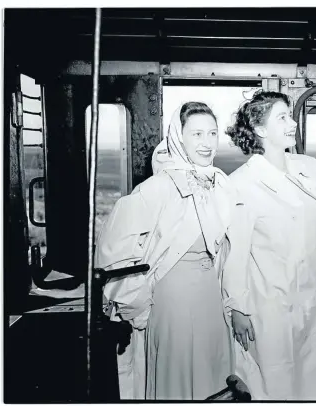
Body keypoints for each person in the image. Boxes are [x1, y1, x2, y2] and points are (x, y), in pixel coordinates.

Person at [220, 88, 316, 400]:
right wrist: (236, 307)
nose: (292, 123)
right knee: (278, 387)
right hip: (271, 308)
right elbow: (234, 252)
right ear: (260, 130)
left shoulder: (309, 168)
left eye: (290, 116)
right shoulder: (241, 184)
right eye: (282, 117)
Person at [94, 102, 236, 400]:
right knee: (179, 380)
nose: (207, 142)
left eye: (212, 133)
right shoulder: (154, 189)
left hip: (211, 298)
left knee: (215, 378)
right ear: (178, 137)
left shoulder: (220, 186)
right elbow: (116, 256)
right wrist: (137, 309)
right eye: (197, 134)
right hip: (172, 303)